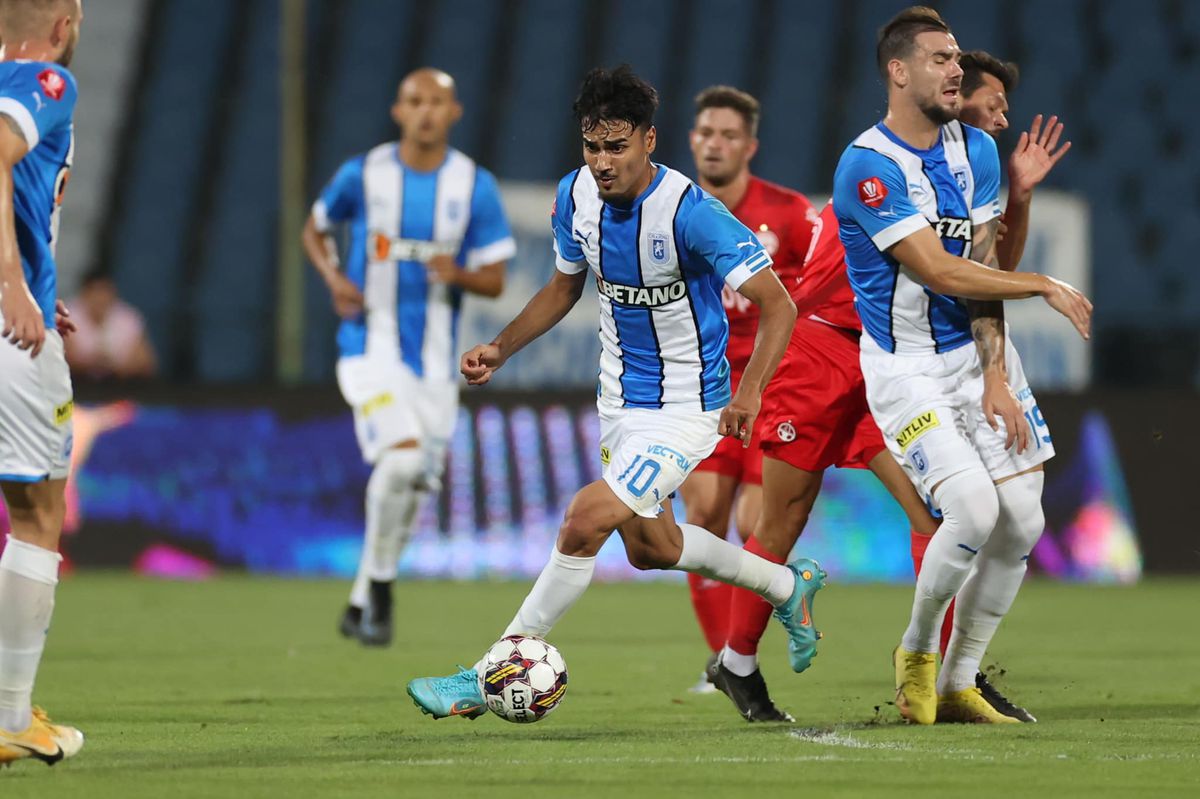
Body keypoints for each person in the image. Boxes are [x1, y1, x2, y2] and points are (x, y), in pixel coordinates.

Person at [406, 65, 823, 721]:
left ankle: (485, 677)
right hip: (620, 405)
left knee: (584, 520)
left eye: (617, 146)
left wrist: (747, 395)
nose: (602, 162)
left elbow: (780, 306)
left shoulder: (693, 214)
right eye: (592, 146)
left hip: (688, 410)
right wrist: (501, 347)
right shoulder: (574, 197)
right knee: (651, 547)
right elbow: (564, 286)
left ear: (650, 141)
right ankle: (784, 583)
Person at [833, 6, 1090, 724]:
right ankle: (916, 651)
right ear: (899, 70)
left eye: (955, 58)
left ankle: (960, 680)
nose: (957, 69)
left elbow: (981, 264)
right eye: (941, 58)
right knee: (974, 508)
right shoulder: (868, 167)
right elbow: (940, 271)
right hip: (905, 368)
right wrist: (1041, 282)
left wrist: (999, 376)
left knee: (1021, 521)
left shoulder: (974, 151)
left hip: (971, 360)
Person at [301, 68, 515, 647]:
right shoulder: (364, 174)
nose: (425, 112)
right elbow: (315, 229)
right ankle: (381, 590)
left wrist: (460, 273)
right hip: (370, 348)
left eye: (436, 103)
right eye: (414, 101)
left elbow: (495, 280)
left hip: (438, 364)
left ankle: (363, 595)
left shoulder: (473, 184)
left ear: (454, 113)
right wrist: (332, 280)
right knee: (400, 460)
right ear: (398, 111)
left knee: (417, 479)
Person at [679, 85, 816, 691]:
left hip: (775, 384)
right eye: (707, 132)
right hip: (703, 386)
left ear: (750, 146)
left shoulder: (789, 215)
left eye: (728, 135)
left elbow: (825, 285)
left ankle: (745, 642)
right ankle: (725, 665)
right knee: (702, 516)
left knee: (757, 521)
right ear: (691, 139)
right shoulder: (671, 210)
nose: (715, 144)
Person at [0, 0, 87, 766]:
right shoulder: (47, 80)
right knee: (38, 510)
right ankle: (10, 716)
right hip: (9, 336)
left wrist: (33, 273)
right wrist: (13, 287)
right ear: (64, 20)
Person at [63, 272, 157, 380]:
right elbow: (63, 358)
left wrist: (115, 366)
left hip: (119, 385)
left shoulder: (128, 318)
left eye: (105, 293)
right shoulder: (67, 315)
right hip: (78, 384)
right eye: (96, 292)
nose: (100, 299)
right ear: (85, 293)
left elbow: (147, 363)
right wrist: (92, 364)